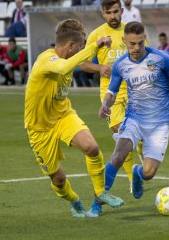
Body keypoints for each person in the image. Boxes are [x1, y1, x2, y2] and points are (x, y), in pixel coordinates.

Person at [24, 19, 124, 218]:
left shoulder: (68, 60)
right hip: (40, 128)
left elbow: (72, 64)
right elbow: (63, 67)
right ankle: (74, 200)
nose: (81, 49)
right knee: (58, 179)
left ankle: (100, 193)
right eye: (80, 46)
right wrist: (95, 46)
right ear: (71, 45)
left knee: (92, 148)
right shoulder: (47, 60)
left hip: (63, 115)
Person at [95, 21, 169, 213]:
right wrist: (105, 105)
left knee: (149, 172)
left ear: (145, 39)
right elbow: (111, 92)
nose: (136, 47)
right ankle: (97, 201)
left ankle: (138, 174)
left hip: (160, 123)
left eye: (140, 43)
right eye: (132, 43)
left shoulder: (161, 59)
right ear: (124, 41)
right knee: (117, 156)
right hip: (134, 119)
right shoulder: (120, 65)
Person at [79, 0, 143, 216]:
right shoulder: (96, 35)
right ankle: (130, 176)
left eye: (116, 11)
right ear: (103, 14)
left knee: (140, 141)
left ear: (122, 10)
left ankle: (137, 173)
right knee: (123, 138)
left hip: (137, 92)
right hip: (111, 96)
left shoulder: (132, 31)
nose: (113, 16)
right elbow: (83, 63)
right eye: (109, 13)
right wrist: (100, 68)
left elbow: (146, 58)